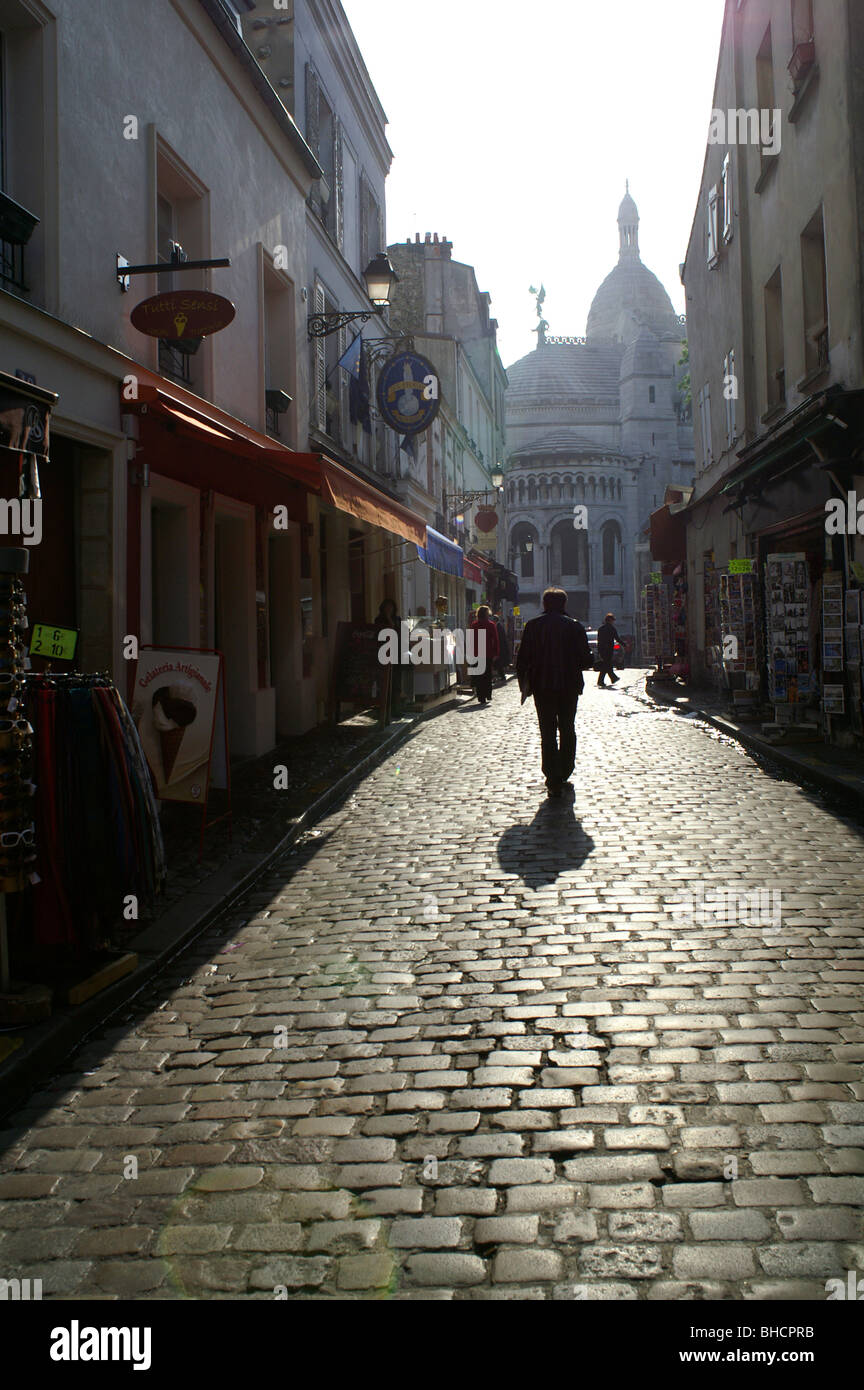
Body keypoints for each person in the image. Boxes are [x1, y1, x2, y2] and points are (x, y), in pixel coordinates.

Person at [516, 587, 593, 796]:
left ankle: (551, 774)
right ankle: (565, 770)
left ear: (544, 604)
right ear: (564, 604)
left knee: (547, 732)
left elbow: (522, 659)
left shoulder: (532, 626)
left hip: (542, 687)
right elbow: (586, 660)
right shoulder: (575, 627)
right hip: (569, 687)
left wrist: (523, 684)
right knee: (567, 728)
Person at [469, 604, 499, 705]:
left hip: (477, 653)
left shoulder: (474, 625)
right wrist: (496, 652)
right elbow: (495, 639)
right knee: (487, 674)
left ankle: (481, 696)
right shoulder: (491, 625)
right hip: (488, 653)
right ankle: (487, 694)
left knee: (479, 675)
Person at [596, 612, 620, 687]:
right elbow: (617, 638)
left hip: (602, 649)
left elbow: (599, 640)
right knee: (606, 664)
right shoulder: (612, 628)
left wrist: (599, 650)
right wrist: (624, 644)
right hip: (609, 649)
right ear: (610, 620)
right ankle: (605, 680)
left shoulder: (601, 629)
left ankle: (612, 678)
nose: (613, 622)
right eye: (612, 620)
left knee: (606, 664)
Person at [492, 612, 511, 683]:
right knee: (497, 664)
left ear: (495, 620)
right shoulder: (498, 626)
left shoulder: (498, 627)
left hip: (500, 648)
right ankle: (500, 676)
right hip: (499, 648)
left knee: (498, 663)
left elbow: (499, 639)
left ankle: (501, 676)